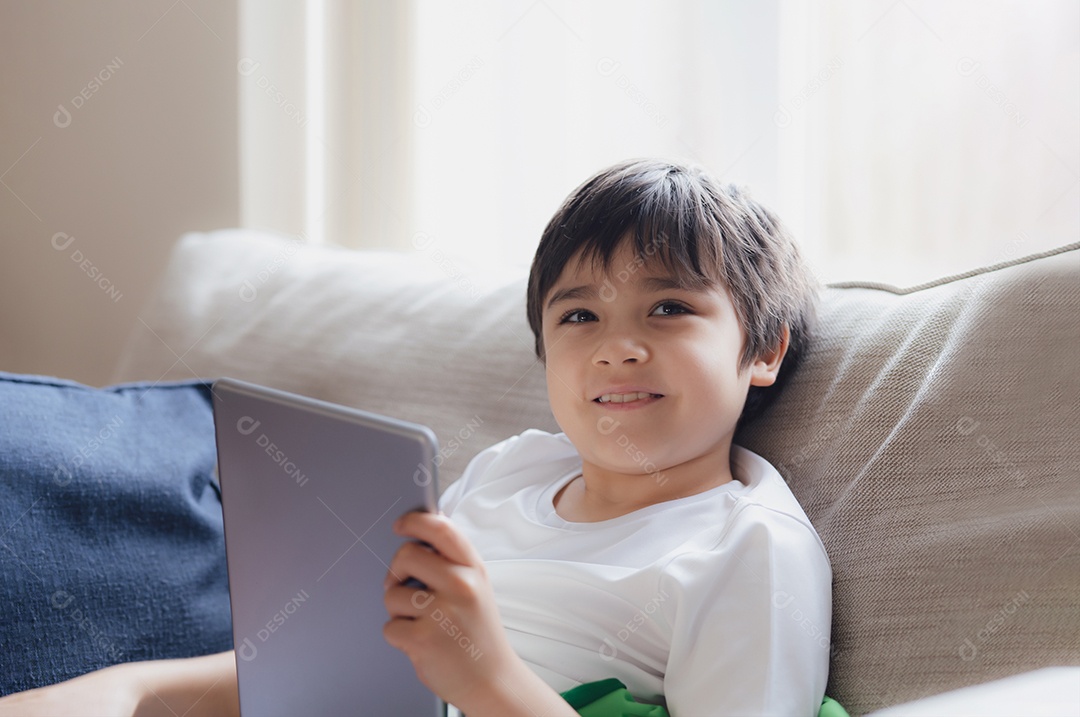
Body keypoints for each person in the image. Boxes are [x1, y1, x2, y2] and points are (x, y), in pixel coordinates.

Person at [0, 158, 831, 717]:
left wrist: (487, 677)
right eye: (579, 314)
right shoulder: (512, 472)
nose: (617, 344)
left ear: (762, 349)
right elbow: (353, 659)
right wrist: (130, 690)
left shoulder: (751, 547)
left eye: (669, 307)